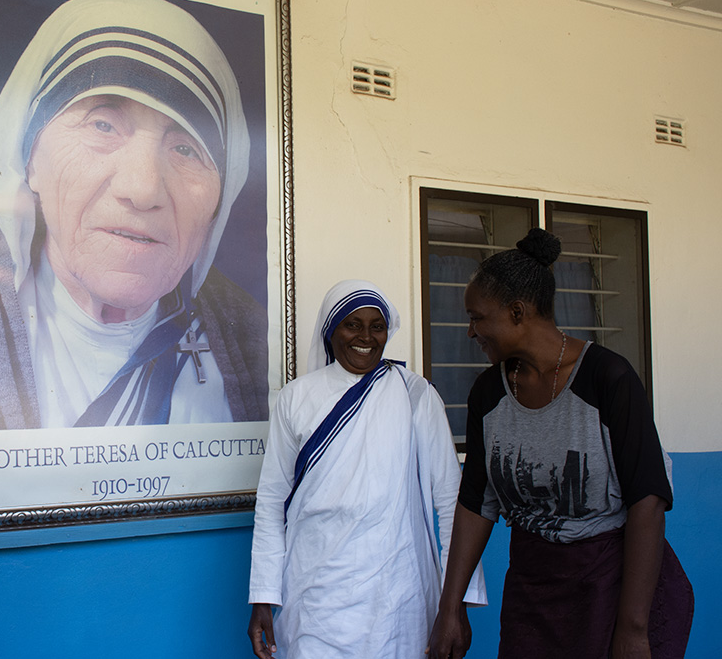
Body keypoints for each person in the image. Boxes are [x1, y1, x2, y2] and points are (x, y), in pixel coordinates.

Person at [0, 0, 269, 430]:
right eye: (102, 124)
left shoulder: (247, 332)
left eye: (187, 148)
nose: (142, 188)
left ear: (218, 203)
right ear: (30, 159)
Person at [428, 228, 693, 658]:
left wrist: (632, 630)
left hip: (608, 588)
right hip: (532, 594)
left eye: (478, 318)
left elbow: (648, 500)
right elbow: (477, 501)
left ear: (517, 312)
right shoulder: (489, 393)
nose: (470, 331)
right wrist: (450, 607)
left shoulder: (608, 379)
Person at [247, 280, 487, 658]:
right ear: (331, 331)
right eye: (352, 324)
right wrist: (263, 597)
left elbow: (449, 498)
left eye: (377, 326)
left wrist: (455, 606)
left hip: (400, 597)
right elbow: (273, 500)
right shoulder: (297, 397)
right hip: (315, 598)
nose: (366, 337)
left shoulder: (416, 395)